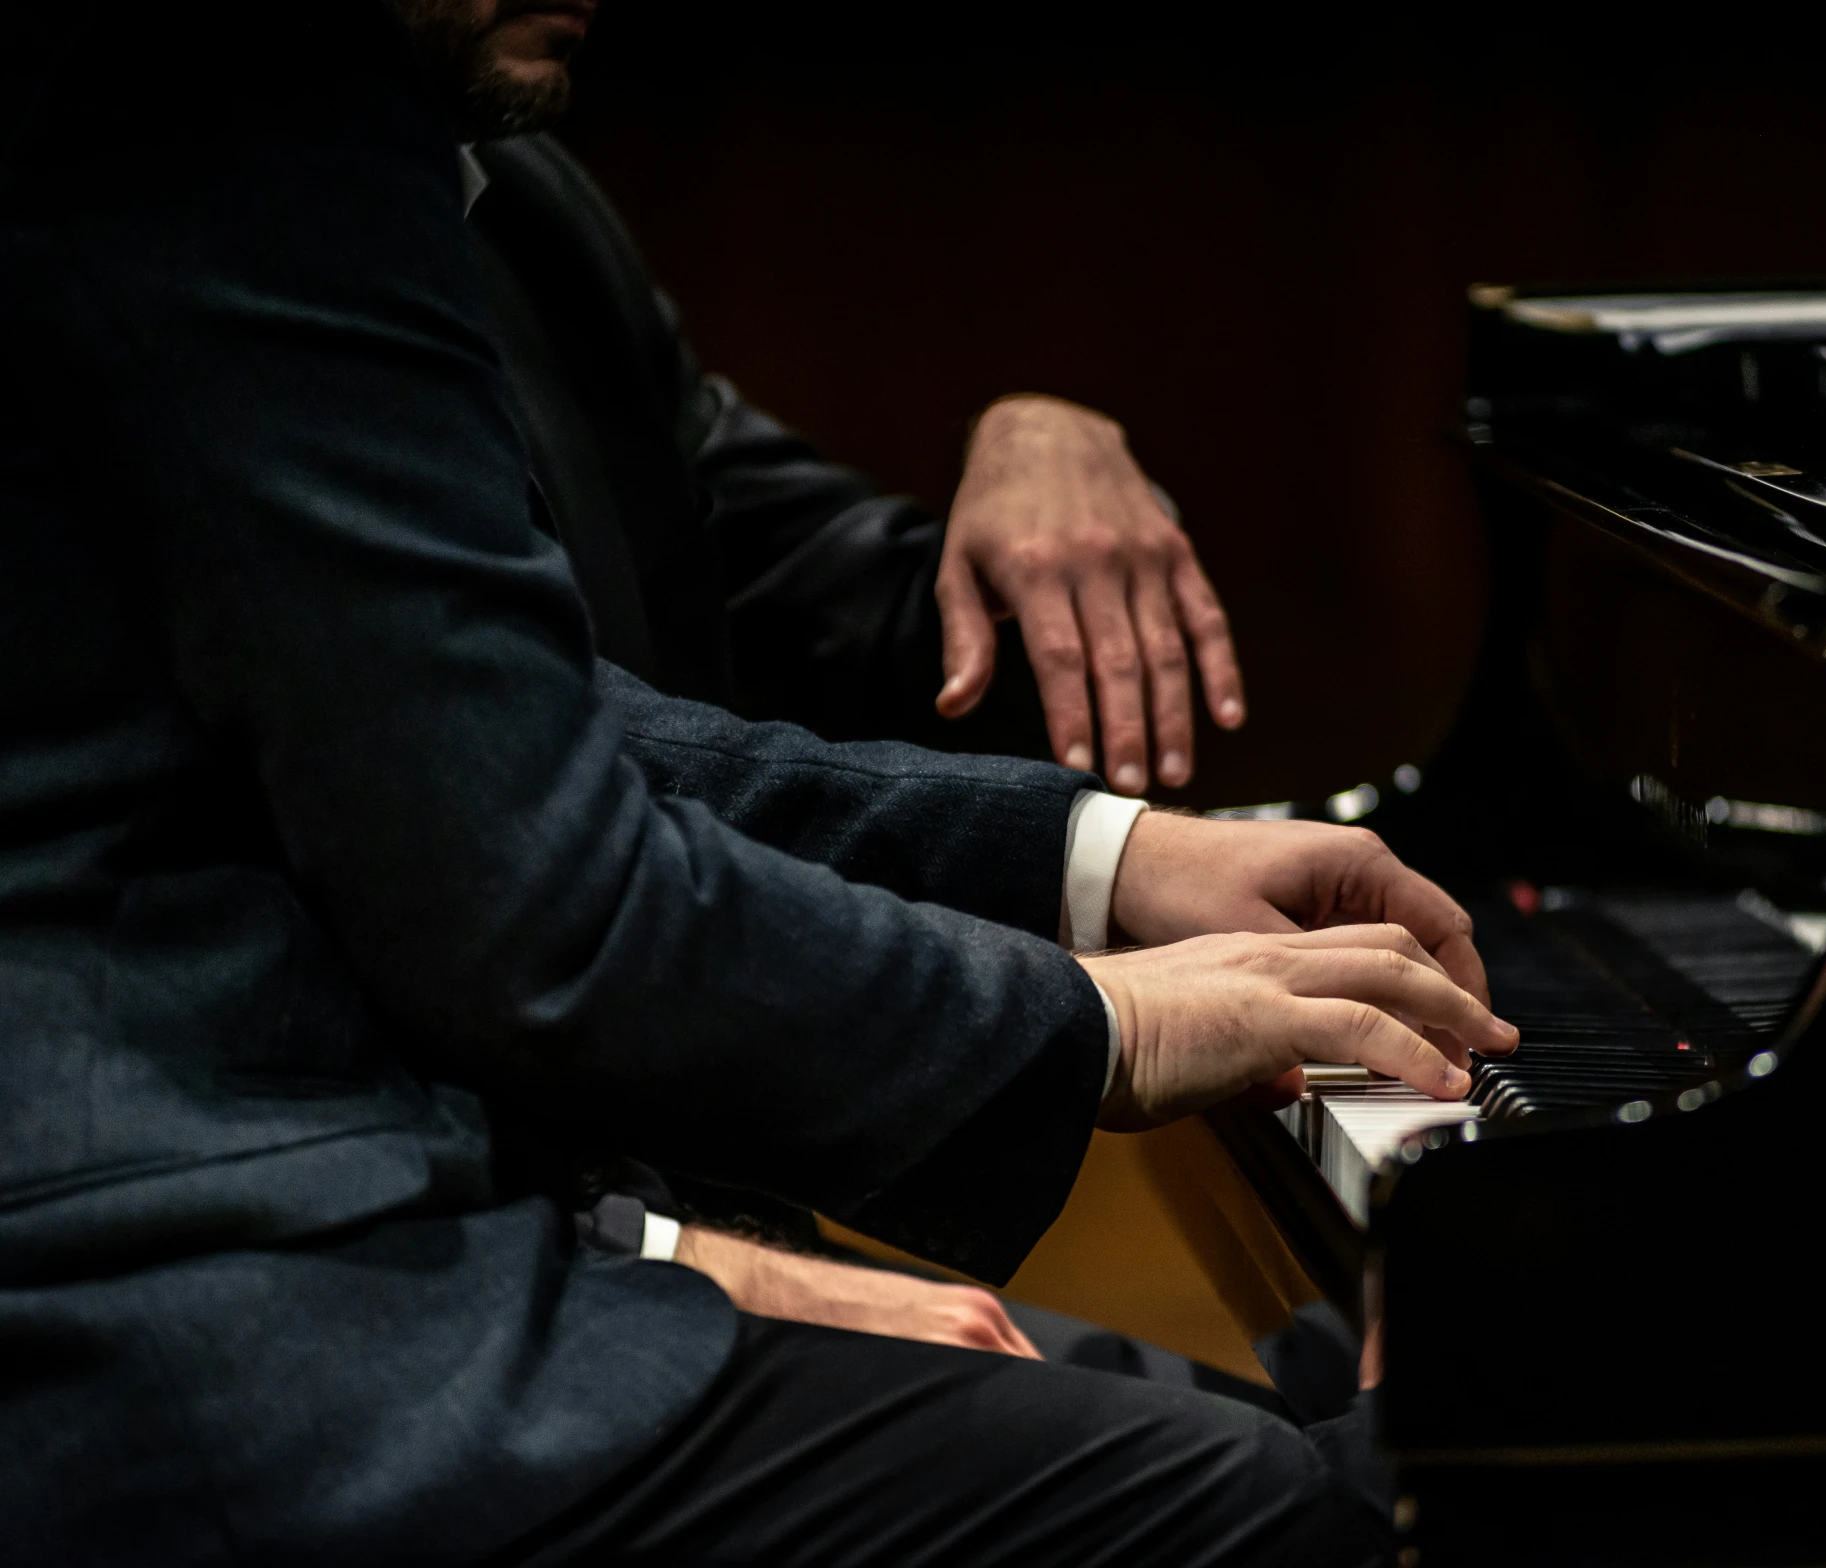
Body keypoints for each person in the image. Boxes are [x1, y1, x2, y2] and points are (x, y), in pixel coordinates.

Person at [0, 5, 1515, 1563]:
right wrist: (1105, 1022)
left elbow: (532, 722)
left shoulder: (494, 194)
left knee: (1320, 1431)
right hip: (209, 1327)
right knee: (1305, 1509)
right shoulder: (233, 103)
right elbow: (544, 905)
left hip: (329, 1242)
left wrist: (1104, 860)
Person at [406, 0, 1243, 797]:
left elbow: (811, 601)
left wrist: (1037, 469)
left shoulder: (529, 204)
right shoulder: (292, 254)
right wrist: (1082, 862)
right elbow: (535, 775)